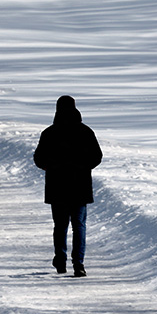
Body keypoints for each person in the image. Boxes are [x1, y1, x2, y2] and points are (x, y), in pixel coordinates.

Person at [33, 95, 102, 277]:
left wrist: (54, 166)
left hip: (57, 187)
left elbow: (38, 159)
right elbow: (97, 157)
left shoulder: (49, 133)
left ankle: (60, 260)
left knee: (60, 225)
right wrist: (81, 166)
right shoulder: (85, 132)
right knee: (79, 225)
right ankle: (79, 263)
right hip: (80, 186)